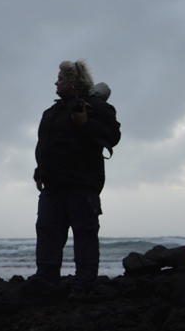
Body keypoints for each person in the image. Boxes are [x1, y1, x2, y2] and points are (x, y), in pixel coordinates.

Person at [32, 60, 120, 293]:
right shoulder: (52, 112)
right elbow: (44, 144)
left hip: (82, 183)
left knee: (85, 234)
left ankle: (84, 285)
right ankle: (46, 281)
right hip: (52, 185)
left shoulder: (96, 107)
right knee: (48, 231)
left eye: (60, 78)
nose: (56, 82)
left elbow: (113, 136)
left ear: (73, 81)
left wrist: (86, 123)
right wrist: (39, 172)